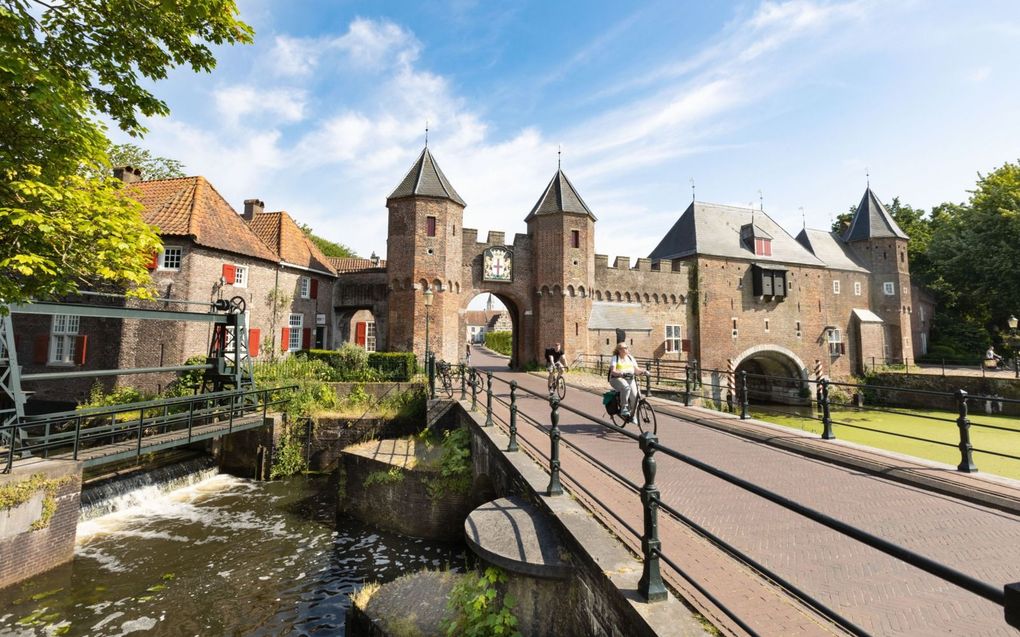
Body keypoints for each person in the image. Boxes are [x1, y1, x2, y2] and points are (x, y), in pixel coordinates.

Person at [608, 342, 648, 418]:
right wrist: (621, 373)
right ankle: (624, 408)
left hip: (630, 379)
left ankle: (632, 415)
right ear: (619, 350)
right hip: (617, 379)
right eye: (624, 348)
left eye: (626, 348)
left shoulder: (630, 358)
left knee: (635, 397)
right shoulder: (615, 358)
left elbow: (636, 370)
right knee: (625, 387)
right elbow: (613, 371)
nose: (626, 349)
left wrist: (644, 371)